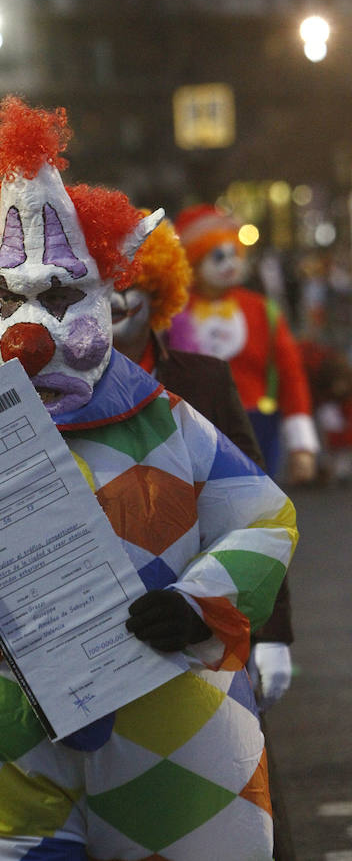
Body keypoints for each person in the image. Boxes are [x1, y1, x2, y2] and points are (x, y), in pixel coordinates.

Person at [0, 96, 298, 860]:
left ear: (106, 299)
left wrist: (200, 603)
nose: (30, 335)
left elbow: (263, 517)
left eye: (62, 296)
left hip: (166, 760)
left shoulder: (164, 418)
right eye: (8, 297)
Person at [111, 217, 293, 713]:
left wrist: (271, 633)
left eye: (129, 287)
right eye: (95, 288)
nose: (112, 303)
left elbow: (254, 511)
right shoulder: (40, 393)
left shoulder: (203, 381)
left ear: (158, 293)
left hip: (198, 624)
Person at [167, 203, 319, 484]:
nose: (230, 264)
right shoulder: (172, 312)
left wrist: (302, 446)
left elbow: (291, 374)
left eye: (233, 254)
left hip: (258, 426)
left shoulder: (261, 310)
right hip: (193, 430)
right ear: (194, 262)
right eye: (217, 257)